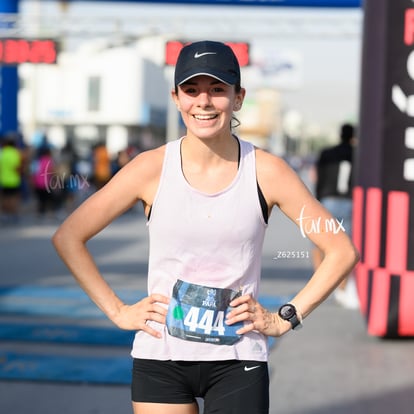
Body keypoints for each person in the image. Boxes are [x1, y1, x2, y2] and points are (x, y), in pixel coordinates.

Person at [52, 41, 359, 414]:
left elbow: (340, 250)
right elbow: (69, 236)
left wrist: (284, 318)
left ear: (238, 97)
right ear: (176, 97)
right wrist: (118, 311)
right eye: (191, 90)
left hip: (238, 360)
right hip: (160, 358)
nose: (204, 102)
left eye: (217, 89)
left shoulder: (268, 172)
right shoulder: (149, 168)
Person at [312, 123, 359, 309]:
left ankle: (320, 282)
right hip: (349, 200)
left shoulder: (327, 153)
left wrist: (317, 201)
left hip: (328, 199)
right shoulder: (357, 153)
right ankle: (341, 287)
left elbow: (319, 178)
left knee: (318, 243)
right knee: (345, 246)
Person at [0, 136, 22, 223]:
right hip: (14, 180)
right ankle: (12, 215)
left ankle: (5, 214)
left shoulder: (3, 153)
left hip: (3, 180)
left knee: (5, 198)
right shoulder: (15, 153)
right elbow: (17, 168)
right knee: (13, 198)